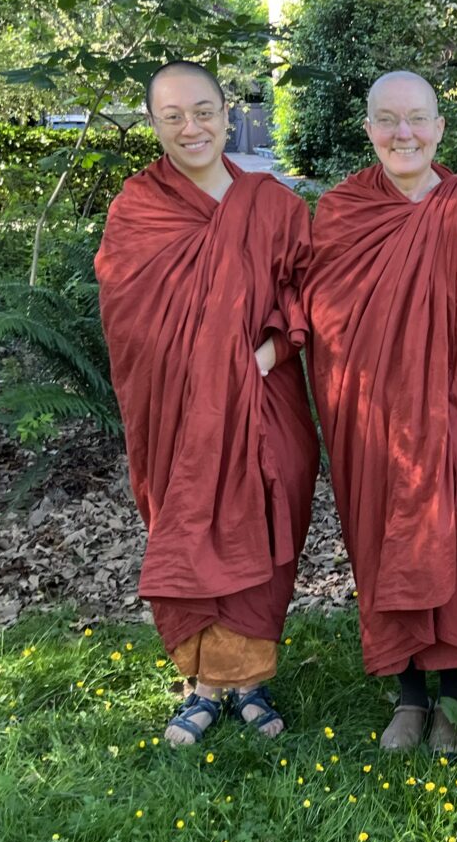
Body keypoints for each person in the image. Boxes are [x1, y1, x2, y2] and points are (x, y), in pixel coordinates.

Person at [96, 60, 319, 745]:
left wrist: (261, 356)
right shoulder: (139, 207)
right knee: (188, 520)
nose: (190, 127)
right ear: (154, 125)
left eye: (202, 110)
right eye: (172, 116)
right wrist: (203, 367)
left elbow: (308, 297)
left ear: (226, 112)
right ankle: (199, 683)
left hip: (262, 395)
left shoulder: (275, 206)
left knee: (267, 512)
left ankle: (248, 679)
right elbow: (126, 313)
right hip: (178, 409)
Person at [306, 71, 457, 756]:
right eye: (388, 119)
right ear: (368, 128)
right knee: (382, 535)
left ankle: (452, 694)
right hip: (369, 411)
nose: (404, 134)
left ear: (439, 128)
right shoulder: (342, 212)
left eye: (418, 118)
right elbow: (323, 308)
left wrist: (440, 385)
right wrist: (385, 382)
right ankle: (406, 693)